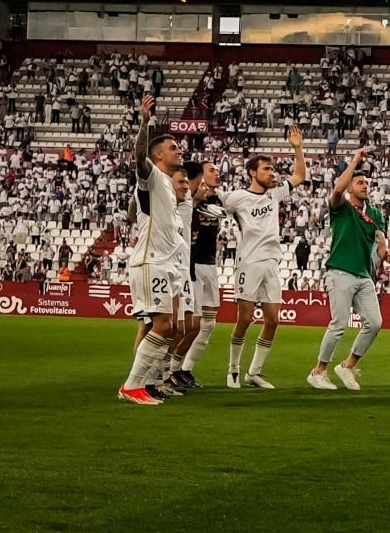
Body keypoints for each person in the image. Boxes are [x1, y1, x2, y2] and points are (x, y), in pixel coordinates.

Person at [221, 127, 308, 388]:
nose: (271, 173)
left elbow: (300, 175)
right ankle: (233, 369)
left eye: (272, 169)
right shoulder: (238, 198)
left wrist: (297, 147)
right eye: (266, 169)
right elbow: (213, 204)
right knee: (245, 319)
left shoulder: (275, 193)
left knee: (272, 320)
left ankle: (254, 372)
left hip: (271, 261)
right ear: (252, 172)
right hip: (248, 260)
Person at [119, 95, 184, 405]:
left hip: (165, 263)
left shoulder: (168, 187)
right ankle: (132, 386)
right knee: (161, 325)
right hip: (150, 261)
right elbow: (138, 157)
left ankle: (142, 383)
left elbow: (135, 212)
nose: (179, 149)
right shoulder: (152, 175)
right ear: (158, 155)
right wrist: (145, 122)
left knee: (165, 327)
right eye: (173, 147)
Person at [309, 148, 390, 391]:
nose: (365, 186)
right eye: (360, 182)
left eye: (367, 183)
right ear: (351, 187)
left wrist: (385, 252)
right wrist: (354, 161)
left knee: (374, 323)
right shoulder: (341, 207)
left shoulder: (375, 213)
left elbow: (381, 241)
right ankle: (318, 371)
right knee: (339, 324)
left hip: (364, 275)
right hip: (340, 271)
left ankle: (347, 365)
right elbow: (336, 190)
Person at [169, 161, 223, 390]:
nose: (216, 174)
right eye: (210, 171)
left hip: (209, 265)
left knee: (206, 325)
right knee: (189, 325)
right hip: (191, 268)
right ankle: (169, 370)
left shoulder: (217, 201)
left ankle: (184, 370)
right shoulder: (184, 205)